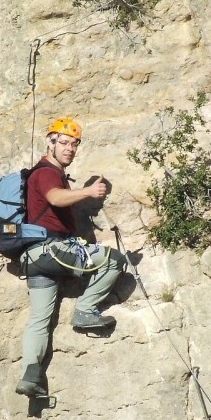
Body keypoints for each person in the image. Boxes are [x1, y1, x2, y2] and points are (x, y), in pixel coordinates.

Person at [16, 117, 126, 397]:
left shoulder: (45, 174)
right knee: (113, 260)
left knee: (40, 319)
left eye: (75, 145)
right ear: (50, 142)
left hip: (34, 257)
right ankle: (85, 311)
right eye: (64, 142)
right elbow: (54, 198)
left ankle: (31, 375)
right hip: (53, 251)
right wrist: (89, 192)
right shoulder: (47, 173)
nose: (70, 149)